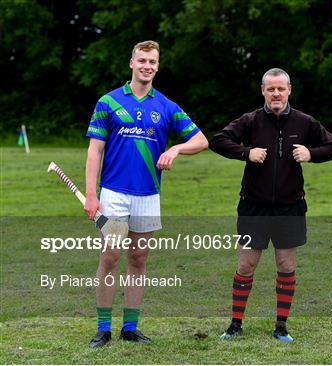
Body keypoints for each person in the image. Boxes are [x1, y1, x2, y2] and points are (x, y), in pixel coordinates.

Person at [84, 40, 208, 348]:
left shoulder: (166, 106)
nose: (147, 66)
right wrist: (91, 193)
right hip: (113, 193)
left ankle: (130, 327)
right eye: (142, 60)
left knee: (138, 258)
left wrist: (176, 148)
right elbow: (94, 150)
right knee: (110, 256)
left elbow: (202, 140)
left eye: (152, 61)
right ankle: (102, 328)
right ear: (131, 63)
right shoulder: (108, 102)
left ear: (157, 66)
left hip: (148, 195)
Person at [210, 68, 332, 342]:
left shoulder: (305, 122)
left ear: (289, 90)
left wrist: (311, 153)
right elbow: (218, 141)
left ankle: (281, 326)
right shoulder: (251, 120)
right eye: (271, 89)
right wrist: (247, 153)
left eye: (281, 88)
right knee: (246, 264)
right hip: (253, 207)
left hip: (290, 207)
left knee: (285, 264)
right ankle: (235, 324)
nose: (276, 94)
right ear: (263, 91)